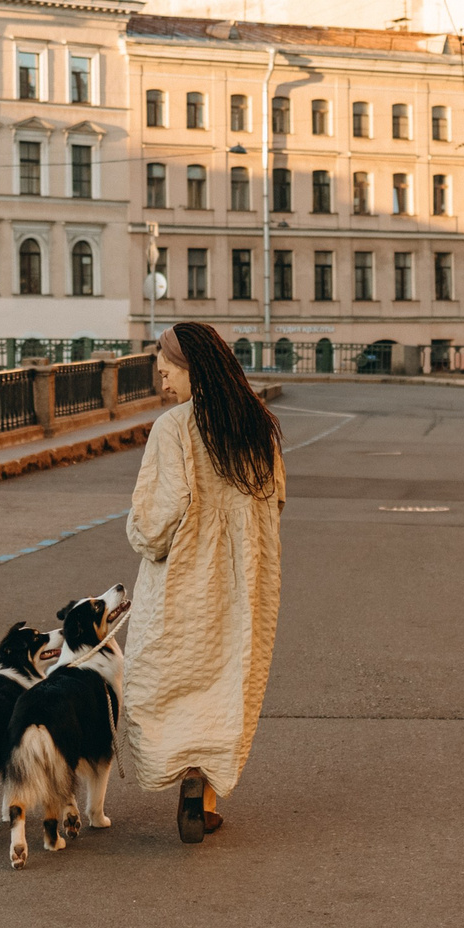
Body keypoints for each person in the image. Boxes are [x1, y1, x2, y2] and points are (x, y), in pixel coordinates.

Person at [118, 321, 285, 844]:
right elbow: (276, 498)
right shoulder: (257, 424)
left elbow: (159, 521)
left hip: (184, 581)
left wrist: (140, 534)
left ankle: (189, 776)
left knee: (171, 677)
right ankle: (204, 792)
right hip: (246, 581)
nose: (162, 380)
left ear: (191, 367)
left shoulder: (174, 429)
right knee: (226, 680)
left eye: (167, 369)